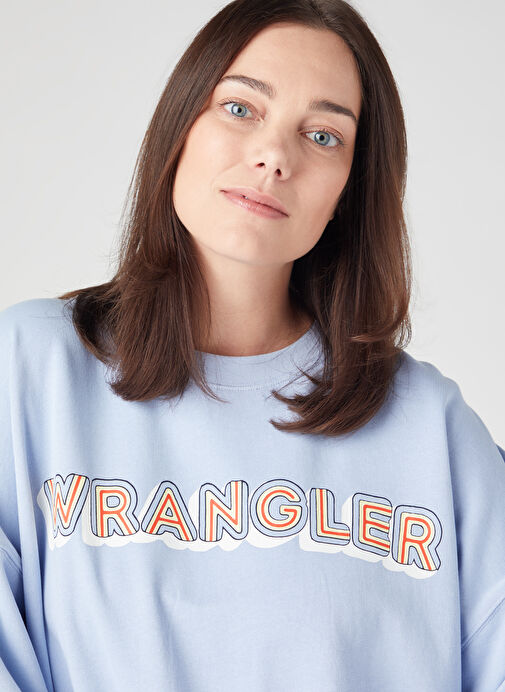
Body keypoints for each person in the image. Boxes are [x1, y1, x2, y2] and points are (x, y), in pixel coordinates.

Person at [0, 0, 504, 690]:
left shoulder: (432, 429)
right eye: (240, 108)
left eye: (323, 135)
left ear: (349, 189)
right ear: (181, 125)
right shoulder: (30, 370)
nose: (274, 156)